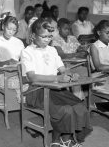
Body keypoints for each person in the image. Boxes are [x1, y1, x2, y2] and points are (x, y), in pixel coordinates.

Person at [21, 18, 92, 147]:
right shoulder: (27, 52)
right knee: (65, 110)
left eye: (49, 36)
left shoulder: (52, 50)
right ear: (33, 36)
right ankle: (60, 139)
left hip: (55, 89)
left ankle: (64, 139)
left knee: (79, 106)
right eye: (43, 37)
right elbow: (32, 78)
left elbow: (63, 70)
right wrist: (57, 78)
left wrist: (71, 75)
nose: (47, 39)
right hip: (37, 91)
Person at [0, 16, 27, 102]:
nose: (11, 32)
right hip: (3, 75)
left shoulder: (19, 42)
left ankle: (23, 102)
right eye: (9, 29)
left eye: (14, 30)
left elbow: (24, 60)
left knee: (29, 80)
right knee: (22, 83)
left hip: (18, 73)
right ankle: (21, 99)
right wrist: (9, 62)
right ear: (3, 26)